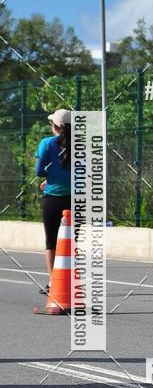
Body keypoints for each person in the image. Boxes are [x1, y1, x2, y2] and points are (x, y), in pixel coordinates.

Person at [34, 109, 71, 294]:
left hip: (53, 197)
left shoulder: (46, 143)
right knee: (71, 242)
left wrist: (50, 177)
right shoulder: (80, 146)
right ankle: (70, 281)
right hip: (74, 199)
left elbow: (39, 170)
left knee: (51, 242)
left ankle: (53, 282)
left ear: (55, 126)